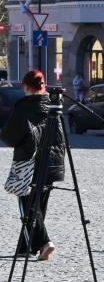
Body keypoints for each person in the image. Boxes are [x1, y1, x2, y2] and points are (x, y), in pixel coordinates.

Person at [2, 70, 66, 262]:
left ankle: (44, 242)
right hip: (53, 162)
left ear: (26, 87)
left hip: (30, 163)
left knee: (27, 203)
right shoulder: (53, 106)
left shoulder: (25, 107)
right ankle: (25, 247)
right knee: (39, 205)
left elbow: (10, 136)